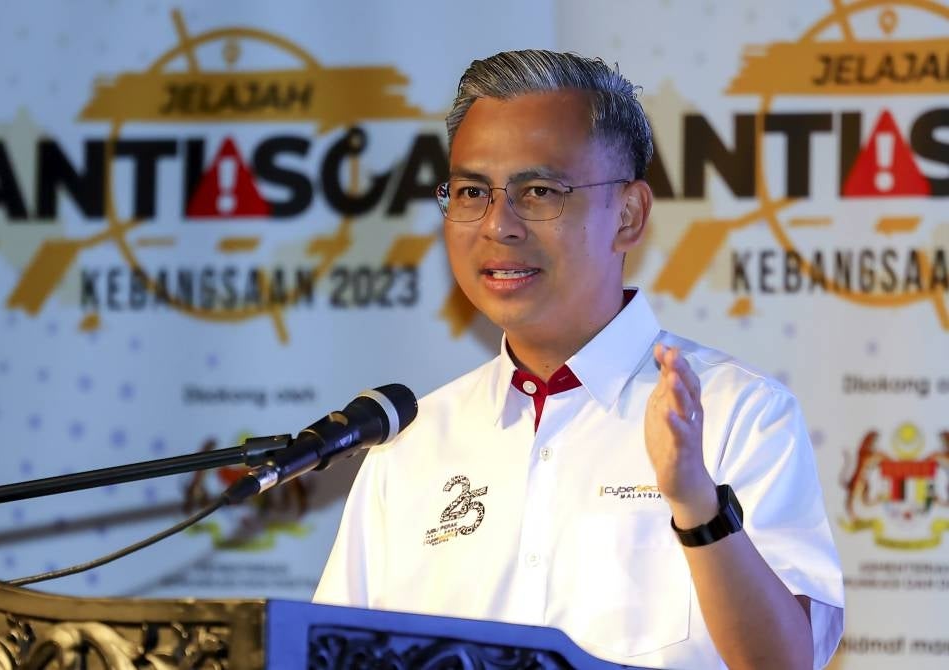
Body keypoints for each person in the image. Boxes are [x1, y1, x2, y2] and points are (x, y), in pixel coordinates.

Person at [314, 50, 844, 669]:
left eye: (538, 191)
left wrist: (697, 502)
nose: (498, 225)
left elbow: (786, 663)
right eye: (471, 191)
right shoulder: (410, 444)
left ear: (629, 214)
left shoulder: (739, 414)